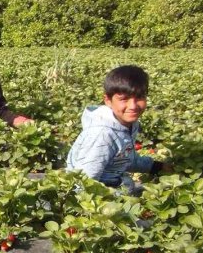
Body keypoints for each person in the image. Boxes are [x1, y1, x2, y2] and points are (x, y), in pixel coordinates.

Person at [66, 65, 170, 193]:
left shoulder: (128, 124)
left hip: (115, 186)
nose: (133, 106)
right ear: (108, 100)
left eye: (139, 97)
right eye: (123, 99)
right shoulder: (102, 134)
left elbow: (125, 158)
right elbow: (83, 183)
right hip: (97, 198)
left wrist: (156, 167)